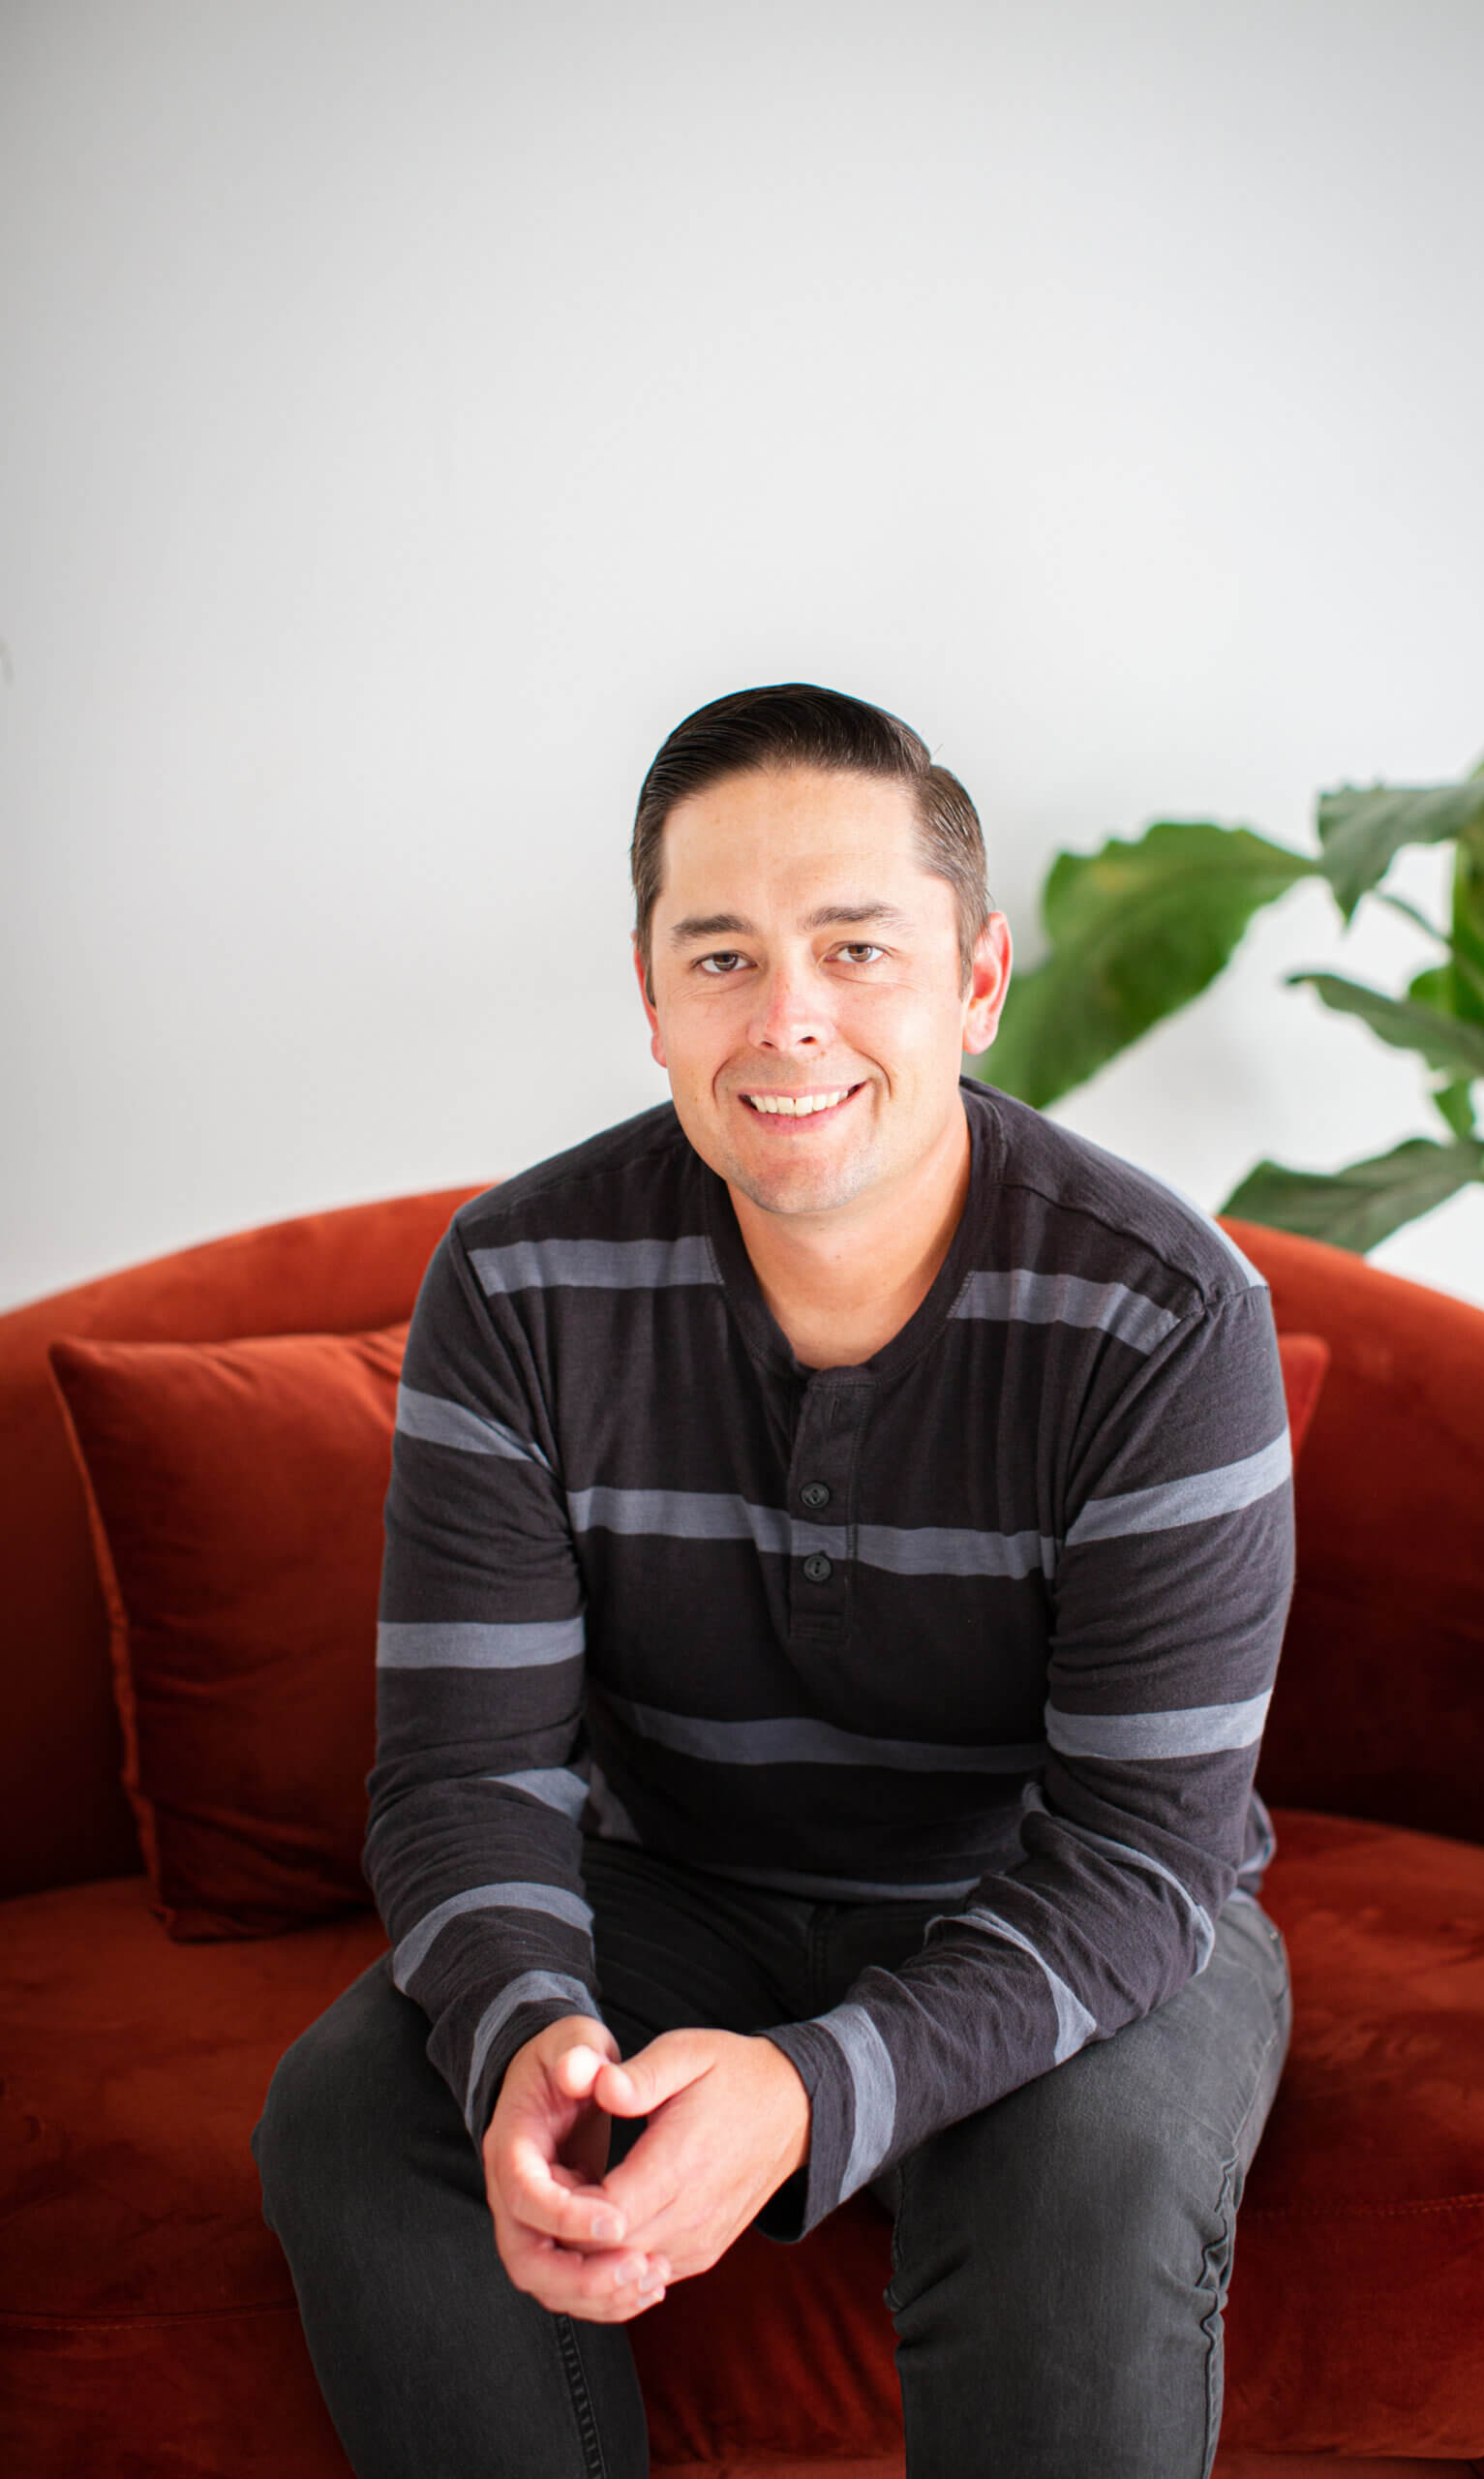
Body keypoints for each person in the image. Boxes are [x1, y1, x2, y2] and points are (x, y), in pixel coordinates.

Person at [253, 682, 1294, 2479]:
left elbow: (1142, 1853)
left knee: (1085, 2187)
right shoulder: (516, 1287)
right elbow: (462, 1777)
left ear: (976, 982)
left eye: (855, 947)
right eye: (721, 958)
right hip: (678, 1885)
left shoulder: (1165, 1313)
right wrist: (532, 2045)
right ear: (651, 1001)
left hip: (1062, 1893)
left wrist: (812, 2090)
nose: (789, 1016)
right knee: (354, 2116)